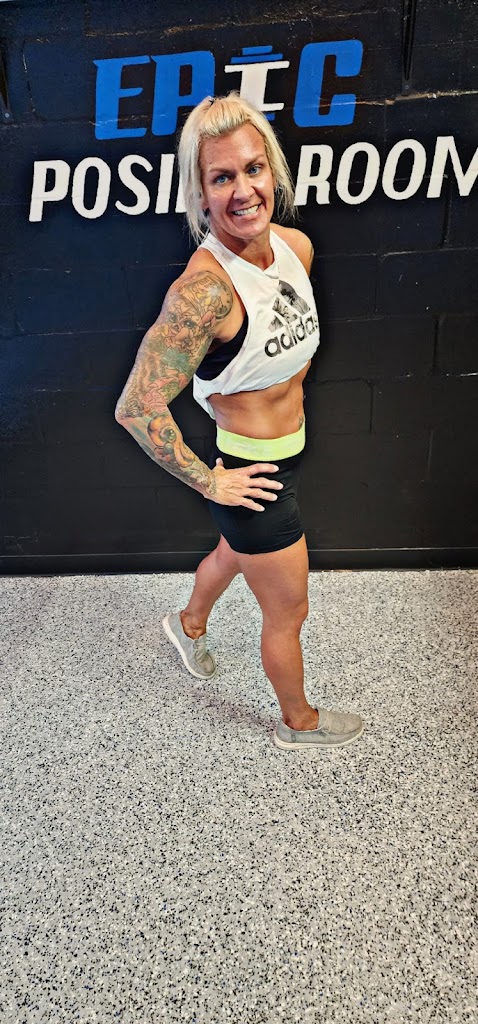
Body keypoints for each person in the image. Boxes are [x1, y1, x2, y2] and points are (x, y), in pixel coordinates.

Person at [115, 93, 363, 750]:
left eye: (253, 169)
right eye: (222, 177)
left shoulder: (295, 248)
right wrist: (211, 482)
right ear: (200, 193)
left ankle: (188, 624)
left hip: (287, 453)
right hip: (255, 477)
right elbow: (137, 406)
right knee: (288, 611)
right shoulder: (204, 293)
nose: (244, 191)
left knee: (232, 552)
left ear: (272, 170)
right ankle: (298, 724)